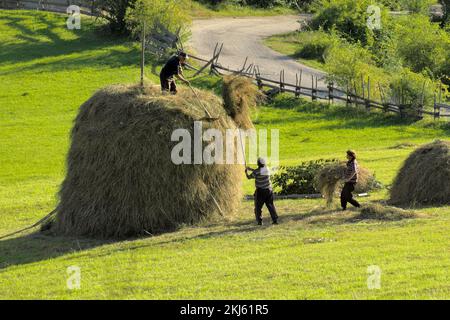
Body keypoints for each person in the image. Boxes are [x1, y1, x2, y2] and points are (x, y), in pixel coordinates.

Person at [245, 157, 278, 225]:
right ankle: (275, 220)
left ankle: (259, 221)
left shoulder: (256, 172)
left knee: (258, 207)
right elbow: (259, 171)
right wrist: (251, 169)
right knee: (270, 205)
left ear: (258, 164)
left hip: (260, 192)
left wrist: (246, 172)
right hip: (269, 191)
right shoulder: (267, 169)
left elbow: (249, 177)